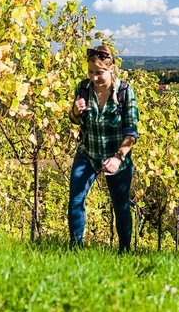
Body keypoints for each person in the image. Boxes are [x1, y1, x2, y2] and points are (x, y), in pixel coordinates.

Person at [68, 45, 139, 252]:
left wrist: (118, 157)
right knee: (76, 200)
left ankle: (124, 251)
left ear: (112, 69)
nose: (94, 77)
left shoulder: (125, 92)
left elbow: (131, 132)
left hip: (116, 157)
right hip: (88, 153)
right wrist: (75, 111)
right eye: (90, 72)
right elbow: (74, 120)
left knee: (121, 206)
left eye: (99, 73)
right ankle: (75, 248)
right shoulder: (83, 88)